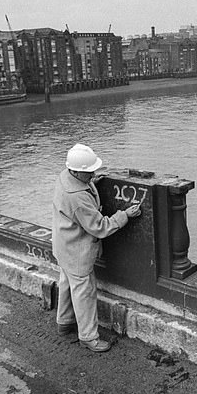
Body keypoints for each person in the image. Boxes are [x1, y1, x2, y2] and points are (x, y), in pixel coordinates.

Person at [51, 143, 140, 353]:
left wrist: (92, 183)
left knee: (66, 283)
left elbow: (82, 189)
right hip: (77, 252)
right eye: (89, 172)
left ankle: (64, 322)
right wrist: (124, 215)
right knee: (84, 292)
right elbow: (100, 227)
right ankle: (89, 337)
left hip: (64, 245)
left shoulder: (65, 176)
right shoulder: (77, 197)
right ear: (77, 171)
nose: (92, 174)